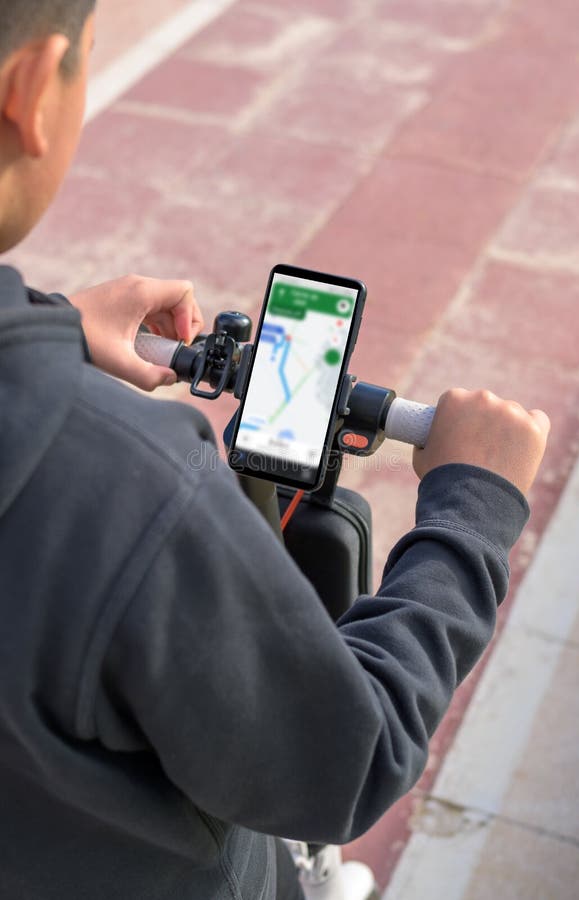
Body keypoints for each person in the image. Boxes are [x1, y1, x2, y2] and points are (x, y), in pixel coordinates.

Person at [0, 2, 550, 898]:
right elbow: (347, 759)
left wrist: (46, 323)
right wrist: (475, 506)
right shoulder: (126, 487)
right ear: (31, 89)